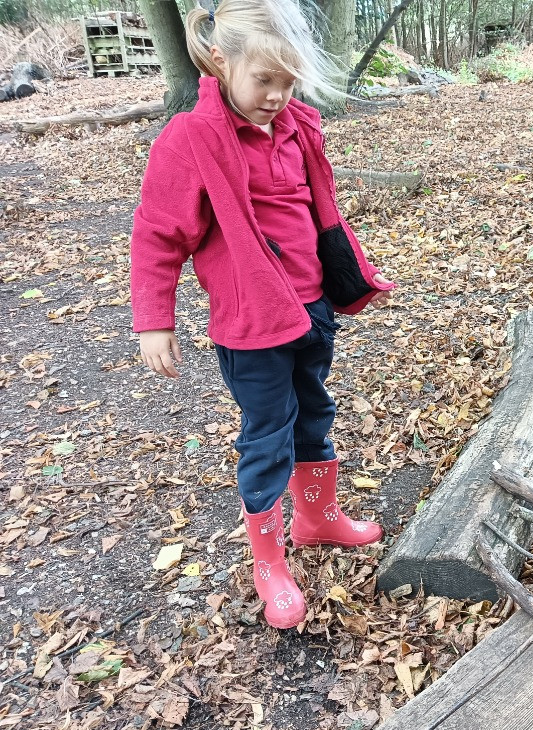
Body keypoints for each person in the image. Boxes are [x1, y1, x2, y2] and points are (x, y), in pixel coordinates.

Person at [130, 0, 395, 630]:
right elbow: (158, 234)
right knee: (268, 429)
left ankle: (316, 518)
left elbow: (315, 209)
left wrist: (340, 278)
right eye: (264, 81)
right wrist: (154, 319)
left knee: (314, 410)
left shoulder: (297, 127)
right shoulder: (192, 140)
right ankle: (269, 559)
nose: (277, 95)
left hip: (310, 307)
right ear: (221, 61)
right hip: (251, 325)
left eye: (288, 81)